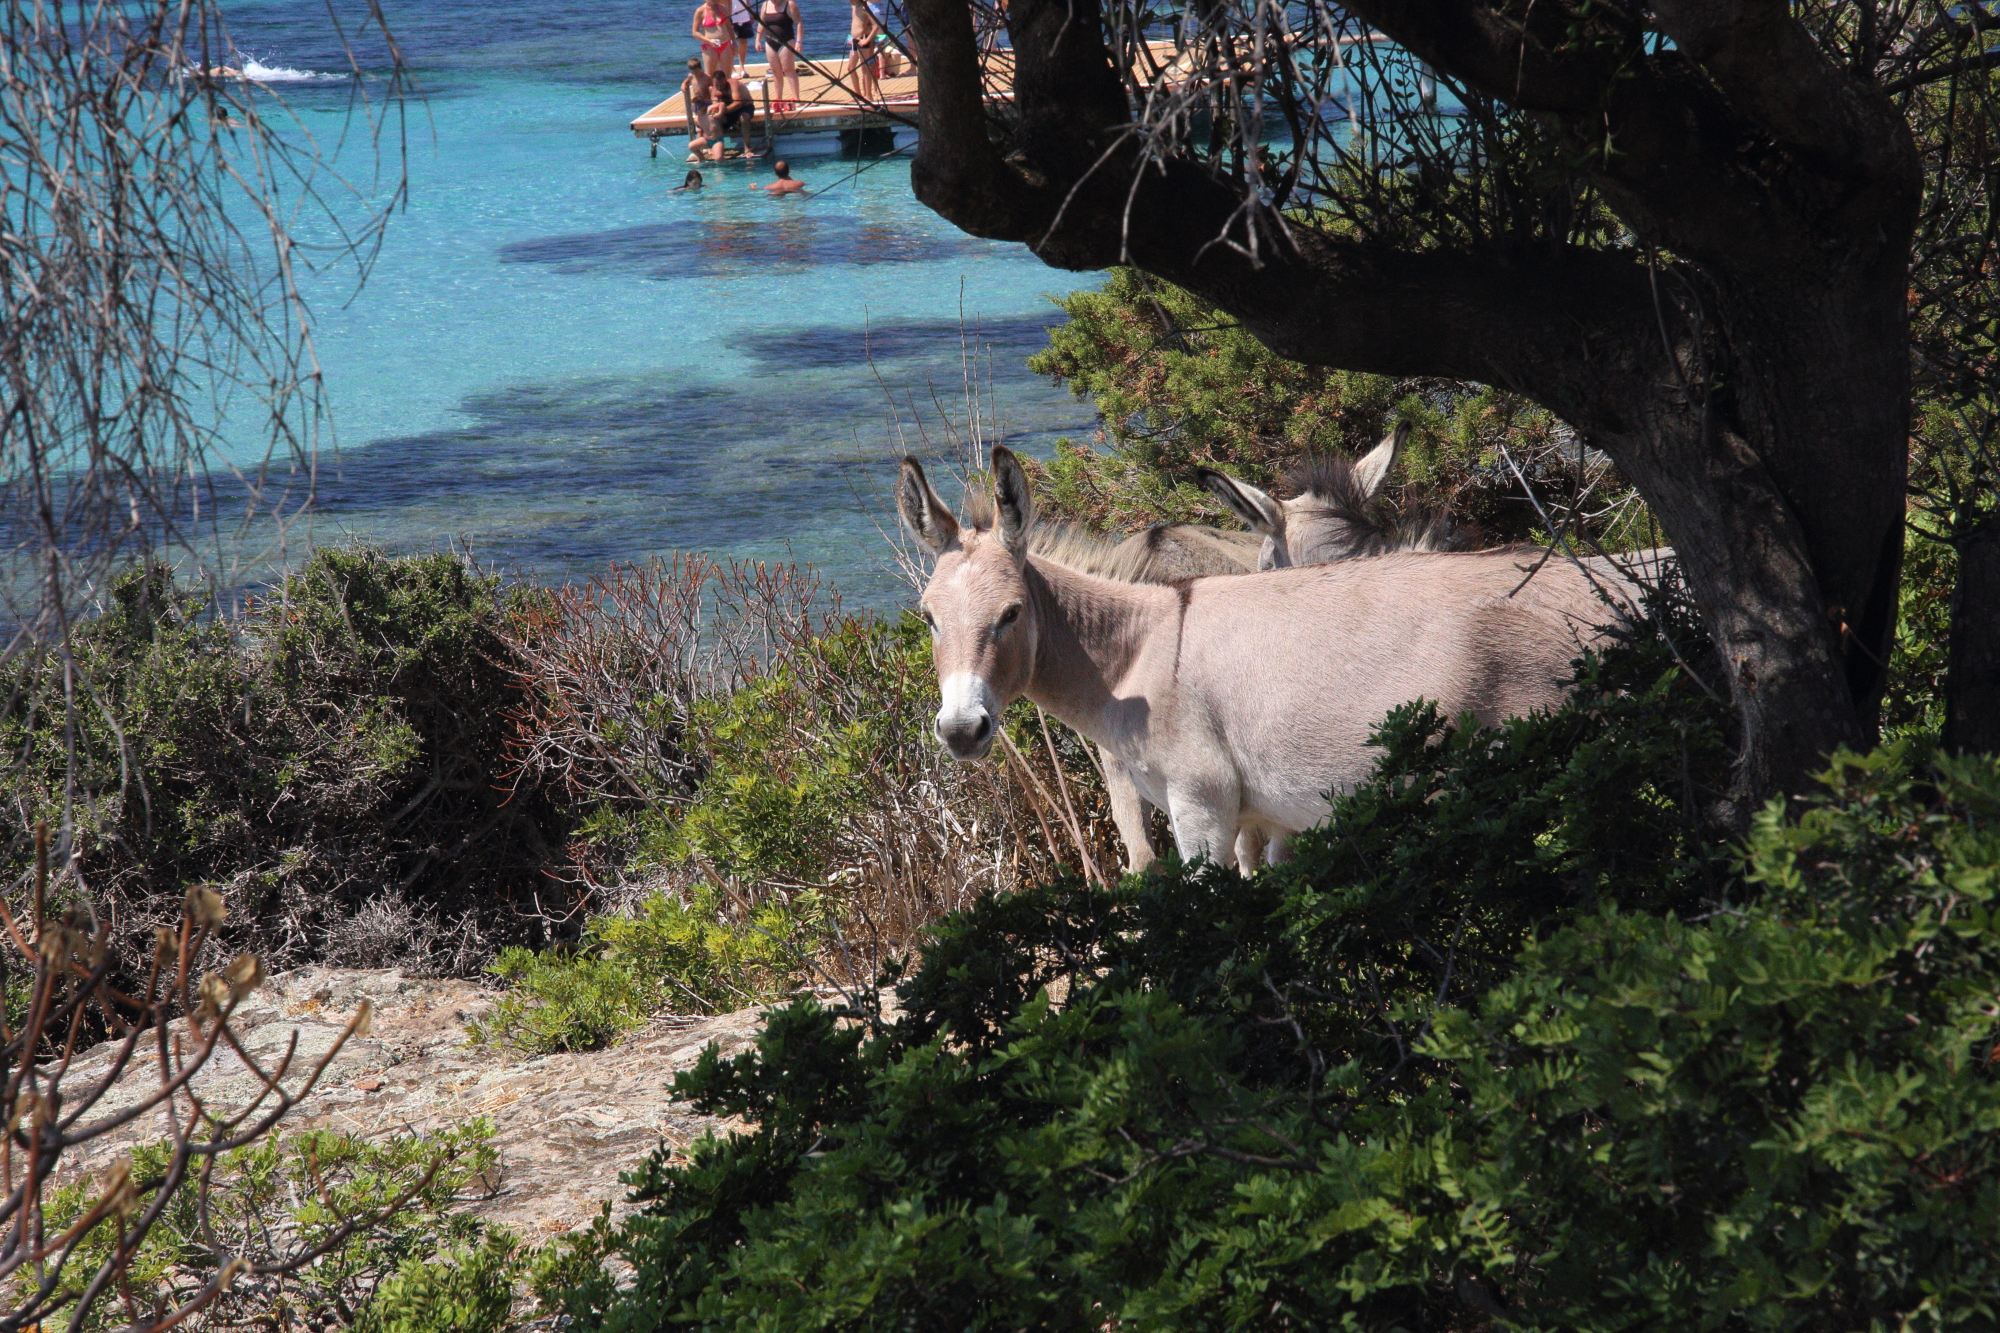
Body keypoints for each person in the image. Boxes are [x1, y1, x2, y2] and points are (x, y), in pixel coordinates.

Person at [756, 0, 803, 110]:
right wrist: (758, 40)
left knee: (788, 70)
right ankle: (778, 98)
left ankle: (797, 99)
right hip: (770, 42)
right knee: (776, 72)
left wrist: (799, 42)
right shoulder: (765, 5)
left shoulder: (789, 4)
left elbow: (799, 23)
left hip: (786, 41)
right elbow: (761, 23)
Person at [706, 68, 761, 160]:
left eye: (721, 84)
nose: (720, 87)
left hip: (745, 107)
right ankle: (714, 147)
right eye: (717, 85)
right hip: (729, 111)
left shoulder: (733, 84)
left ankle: (747, 147)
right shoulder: (714, 90)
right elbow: (716, 106)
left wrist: (724, 110)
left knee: (743, 118)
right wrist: (717, 113)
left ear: (725, 80)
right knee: (713, 120)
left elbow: (738, 103)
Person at [845, 0, 882, 103]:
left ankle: (868, 96)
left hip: (863, 39)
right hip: (854, 40)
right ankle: (857, 95)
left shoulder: (865, 8)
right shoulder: (854, 7)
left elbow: (876, 25)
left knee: (865, 68)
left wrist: (868, 39)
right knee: (851, 68)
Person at [691, 0, 736, 76]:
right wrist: (708, 41)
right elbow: (695, 32)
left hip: (725, 44)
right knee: (710, 75)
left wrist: (734, 43)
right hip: (710, 47)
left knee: (727, 75)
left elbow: (729, 27)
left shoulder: (723, 8)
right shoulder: (700, 11)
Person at [679, 58, 716, 145]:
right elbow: (686, 82)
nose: (695, 73)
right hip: (697, 102)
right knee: (699, 122)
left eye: (697, 71)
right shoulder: (691, 76)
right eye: (693, 71)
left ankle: (707, 140)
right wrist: (683, 85)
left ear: (700, 68)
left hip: (706, 102)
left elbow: (713, 87)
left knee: (705, 121)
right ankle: (702, 142)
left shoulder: (706, 77)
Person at [729, 0, 756, 73]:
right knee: (731, 44)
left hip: (744, 17)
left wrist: (751, 14)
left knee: (744, 42)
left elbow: (747, 2)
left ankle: (742, 67)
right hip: (732, 18)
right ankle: (732, 69)